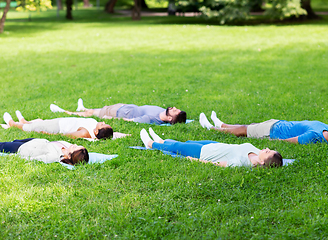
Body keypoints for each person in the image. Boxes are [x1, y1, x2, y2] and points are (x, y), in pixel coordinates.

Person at [140, 128, 283, 168]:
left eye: (268, 152)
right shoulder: (257, 152)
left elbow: (219, 164)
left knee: (178, 146)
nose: (266, 148)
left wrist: (197, 162)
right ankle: (162, 140)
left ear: (264, 162)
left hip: (204, 153)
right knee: (188, 141)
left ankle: (151, 144)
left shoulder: (243, 163)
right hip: (213, 145)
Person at [199, 111, 328, 147]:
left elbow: (289, 141)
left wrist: (274, 141)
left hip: (272, 132)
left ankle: (212, 128)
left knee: (243, 131)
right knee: (247, 127)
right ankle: (221, 124)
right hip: (278, 123)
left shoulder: (314, 136)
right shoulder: (327, 128)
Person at [50, 98, 187, 125]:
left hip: (119, 113)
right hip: (125, 107)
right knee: (95, 110)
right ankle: (83, 108)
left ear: (170, 119)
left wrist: (112, 120)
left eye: (174, 111)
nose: (173, 108)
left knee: (91, 114)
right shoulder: (162, 111)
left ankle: (65, 111)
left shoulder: (151, 119)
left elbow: (129, 121)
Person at [3, 111, 114, 140]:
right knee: (40, 122)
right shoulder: (95, 126)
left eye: (102, 125)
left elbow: (65, 135)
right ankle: (23, 121)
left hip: (57, 126)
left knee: (31, 128)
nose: (102, 122)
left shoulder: (85, 133)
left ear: (96, 132)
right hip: (61, 121)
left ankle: (12, 123)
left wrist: (45, 133)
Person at [0, 138, 89, 165]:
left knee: (3, 145)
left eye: (75, 148)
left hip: (24, 148)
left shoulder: (54, 156)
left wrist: (14, 156)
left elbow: (34, 159)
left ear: (70, 156)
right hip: (35, 141)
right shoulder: (67, 147)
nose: (74, 145)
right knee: (14, 141)